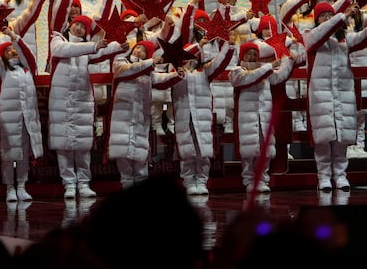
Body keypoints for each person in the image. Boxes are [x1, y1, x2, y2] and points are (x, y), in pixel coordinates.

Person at [47, 13, 121, 201]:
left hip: (82, 99)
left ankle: (84, 183)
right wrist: (93, 46)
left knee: (82, 145)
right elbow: (65, 50)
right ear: (70, 25)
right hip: (60, 101)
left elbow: (102, 52)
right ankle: (69, 184)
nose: (79, 29)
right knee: (63, 145)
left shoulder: (87, 50)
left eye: (83, 27)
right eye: (77, 25)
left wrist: (120, 45)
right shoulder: (57, 39)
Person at [303, 0, 367, 193]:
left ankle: (340, 176)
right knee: (324, 139)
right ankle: (323, 177)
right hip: (320, 96)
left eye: (329, 15)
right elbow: (322, 33)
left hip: (343, 94)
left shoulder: (343, 40)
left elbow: (363, 38)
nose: (326, 18)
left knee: (341, 140)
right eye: (322, 16)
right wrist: (341, 16)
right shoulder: (311, 35)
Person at [155, 38, 231, 197]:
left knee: (202, 151)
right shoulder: (175, 73)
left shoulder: (204, 73)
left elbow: (221, 63)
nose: (189, 62)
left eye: (192, 58)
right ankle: (189, 181)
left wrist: (227, 46)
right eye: (186, 58)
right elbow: (160, 82)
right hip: (184, 118)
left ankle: (202, 181)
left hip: (202, 119)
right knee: (187, 151)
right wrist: (177, 74)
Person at [0, 32, 42, 203]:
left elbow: (28, 54)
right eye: (8, 51)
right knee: (8, 154)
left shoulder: (28, 68)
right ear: (3, 57)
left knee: (24, 153)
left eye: (14, 50)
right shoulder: (2, 71)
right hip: (8, 120)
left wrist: (14, 37)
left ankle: (21, 186)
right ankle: (9, 188)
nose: (13, 52)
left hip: (27, 118)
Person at [229, 38, 293, 201]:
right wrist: (269, 66)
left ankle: (263, 179)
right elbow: (248, 78)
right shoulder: (237, 71)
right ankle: (250, 180)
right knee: (249, 152)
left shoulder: (265, 72)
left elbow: (279, 77)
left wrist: (288, 59)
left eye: (254, 54)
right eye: (248, 54)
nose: (252, 57)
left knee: (264, 150)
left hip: (263, 117)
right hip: (246, 119)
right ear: (242, 56)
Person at [106, 40, 158, 188]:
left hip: (141, 117)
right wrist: (149, 62)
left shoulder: (149, 72)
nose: (138, 51)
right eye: (137, 48)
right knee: (122, 151)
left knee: (140, 152)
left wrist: (177, 75)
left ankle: (142, 184)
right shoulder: (121, 62)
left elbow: (160, 79)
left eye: (143, 50)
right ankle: (127, 182)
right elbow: (125, 70)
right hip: (122, 117)